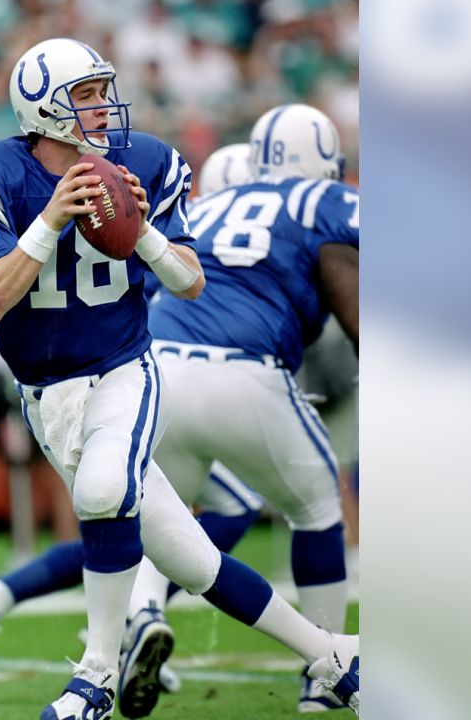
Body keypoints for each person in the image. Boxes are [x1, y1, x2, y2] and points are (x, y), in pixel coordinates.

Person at [0, 39, 360, 720]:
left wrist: (145, 235)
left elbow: (190, 283)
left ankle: (94, 680)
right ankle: (333, 656)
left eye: (105, 91)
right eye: (87, 95)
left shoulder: (148, 164)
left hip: (124, 370)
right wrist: (51, 218)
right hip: (47, 394)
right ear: (44, 110)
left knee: (105, 491)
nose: (104, 106)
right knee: (192, 560)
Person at [128, 103, 361, 713]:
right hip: (244, 372)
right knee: (316, 508)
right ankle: (326, 673)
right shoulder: (318, 200)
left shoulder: (204, 206)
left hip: (160, 368)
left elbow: (154, 284)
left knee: (165, 518)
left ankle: (143, 614)